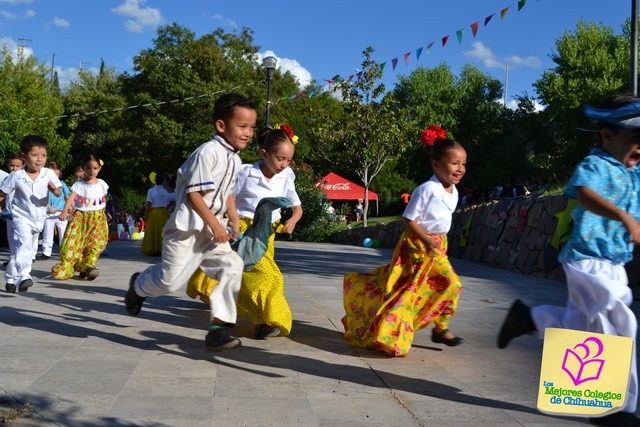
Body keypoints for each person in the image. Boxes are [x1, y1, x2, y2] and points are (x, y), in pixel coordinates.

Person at [497, 93, 640, 426]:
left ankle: (528, 318)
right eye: (635, 138)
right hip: (587, 259)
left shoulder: (634, 174)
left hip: (614, 263)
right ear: (608, 137)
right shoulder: (596, 165)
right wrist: (623, 217)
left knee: (580, 326)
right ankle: (615, 408)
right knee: (619, 322)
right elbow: (585, 194)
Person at [125, 93, 257, 352]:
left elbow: (227, 192)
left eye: (251, 127)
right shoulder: (208, 153)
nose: (248, 133)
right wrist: (217, 226)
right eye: (242, 126)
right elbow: (193, 194)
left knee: (233, 264)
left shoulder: (235, 159)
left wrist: (232, 220)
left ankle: (218, 329)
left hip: (211, 232)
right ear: (221, 125)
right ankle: (138, 285)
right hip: (187, 230)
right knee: (170, 283)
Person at [342, 125, 467, 356]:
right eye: (454, 164)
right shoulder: (427, 189)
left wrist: (437, 242)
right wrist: (426, 241)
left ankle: (440, 328)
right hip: (417, 246)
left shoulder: (454, 190)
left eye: (463, 164)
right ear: (437, 165)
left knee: (452, 284)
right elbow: (409, 218)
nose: (460, 169)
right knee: (406, 290)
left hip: (438, 245)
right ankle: (389, 336)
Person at [187, 125, 303, 339]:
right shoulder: (246, 173)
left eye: (288, 160)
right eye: (280, 159)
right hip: (242, 232)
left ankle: (245, 314)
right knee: (268, 277)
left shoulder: (286, 176)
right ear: (264, 153)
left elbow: (297, 207)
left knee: (247, 276)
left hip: (266, 235)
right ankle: (266, 320)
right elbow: (227, 196)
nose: (284, 164)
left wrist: (293, 220)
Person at [0, 135, 62, 293]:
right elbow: (2, 194)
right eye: (35, 155)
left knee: (24, 250)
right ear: (24, 156)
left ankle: (10, 277)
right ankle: (23, 276)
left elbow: (59, 191)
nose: (40, 159)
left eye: (43, 155)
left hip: (39, 219)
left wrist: (54, 190)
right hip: (20, 217)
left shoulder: (48, 174)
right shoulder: (16, 176)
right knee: (25, 246)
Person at [51, 153, 109, 281]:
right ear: (83, 169)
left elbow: (103, 199)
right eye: (88, 168)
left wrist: (103, 214)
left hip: (97, 218)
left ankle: (89, 266)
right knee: (74, 242)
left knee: (94, 243)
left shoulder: (102, 184)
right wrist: (64, 212)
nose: (91, 171)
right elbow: (71, 198)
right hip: (80, 217)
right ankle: (69, 266)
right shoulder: (80, 185)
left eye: (95, 168)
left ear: (99, 168)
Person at [37, 161, 71, 260]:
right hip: (48, 213)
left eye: (56, 174)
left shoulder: (62, 184)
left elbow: (68, 195)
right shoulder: (43, 183)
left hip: (61, 212)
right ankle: (46, 252)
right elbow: (39, 197)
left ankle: (64, 251)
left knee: (63, 232)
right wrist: (48, 207)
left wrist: (69, 207)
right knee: (47, 233)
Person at [141, 172, 175, 255]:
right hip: (165, 213)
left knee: (153, 231)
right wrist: (168, 207)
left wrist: (146, 215)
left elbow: (148, 203)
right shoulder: (167, 191)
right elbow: (174, 200)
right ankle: (163, 249)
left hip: (154, 213)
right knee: (163, 231)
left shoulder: (152, 190)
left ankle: (153, 249)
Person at [1, 153, 25, 264]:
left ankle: (19, 259)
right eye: (12, 165)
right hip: (9, 213)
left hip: (22, 213)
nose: (14, 168)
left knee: (20, 238)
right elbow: (3, 195)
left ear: (23, 165)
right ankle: (12, 257)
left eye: (17, 166)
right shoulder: (7, 178)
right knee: (10, 238)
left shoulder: (24, 178)